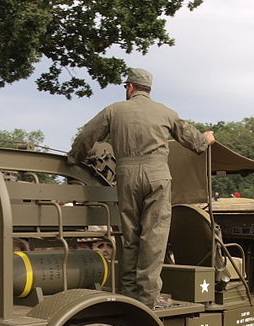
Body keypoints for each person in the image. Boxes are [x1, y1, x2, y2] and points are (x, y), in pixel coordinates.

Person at [68, 68, 216, 308]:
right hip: (157, 175)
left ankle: (128, 292)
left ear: (130, 87)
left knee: (130, 236)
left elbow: (87, 135)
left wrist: (74, 157)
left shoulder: (114, 110)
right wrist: (207, 138)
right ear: (148, 89)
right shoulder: (166, 113)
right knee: (154, 236)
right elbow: (197, 143)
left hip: (126, 176)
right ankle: (148, 298)